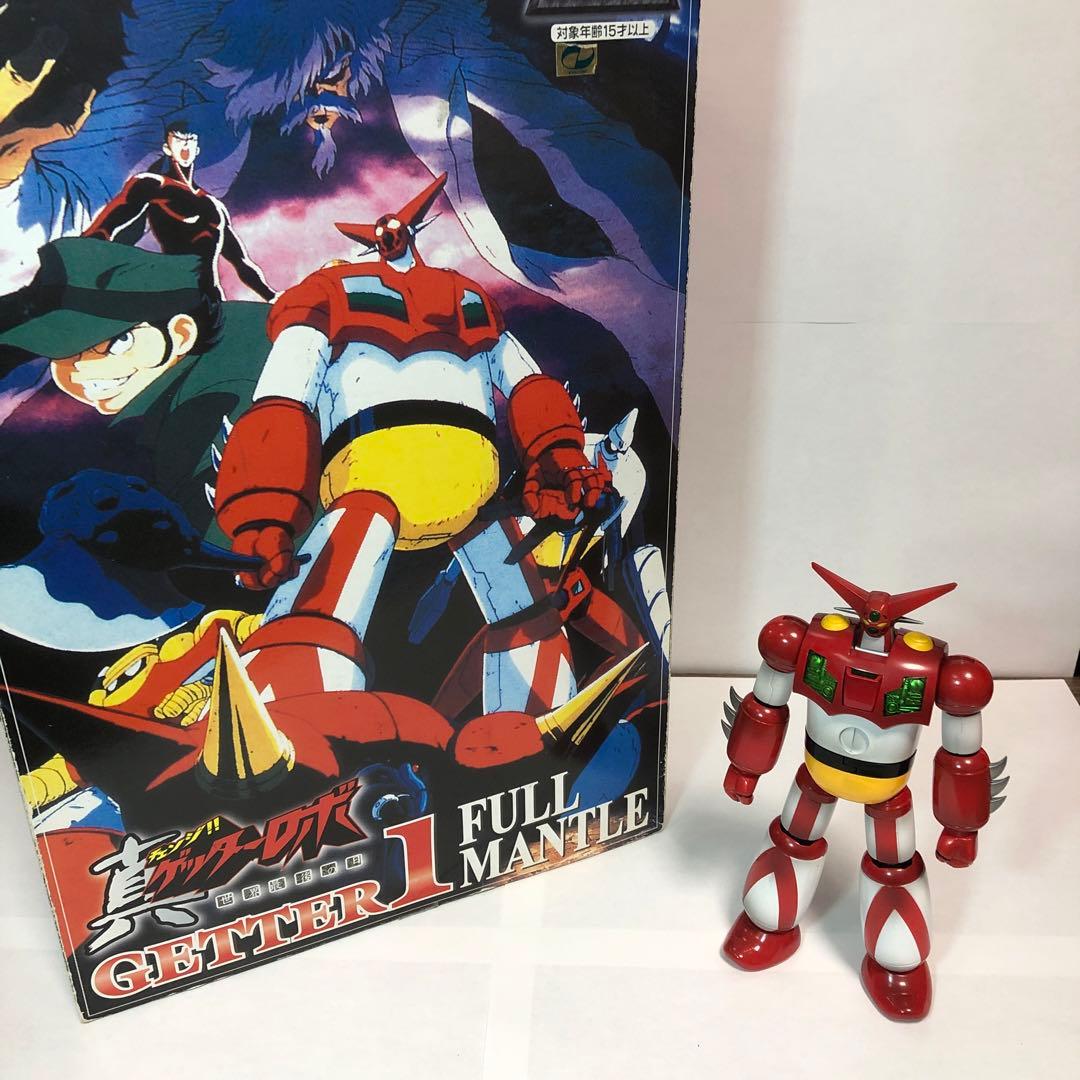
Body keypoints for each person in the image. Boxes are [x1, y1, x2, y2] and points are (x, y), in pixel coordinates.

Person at [84, 120, 275, 302]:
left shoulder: (214, 207)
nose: (185, 146)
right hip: (173, 293)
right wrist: (88, 249)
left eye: (190, 141)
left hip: (212, 300)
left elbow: (241, 262)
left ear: (197, 149)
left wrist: (271, 296)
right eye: (178, 140)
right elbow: (106, 226)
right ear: (167, 148)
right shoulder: (152, 185)